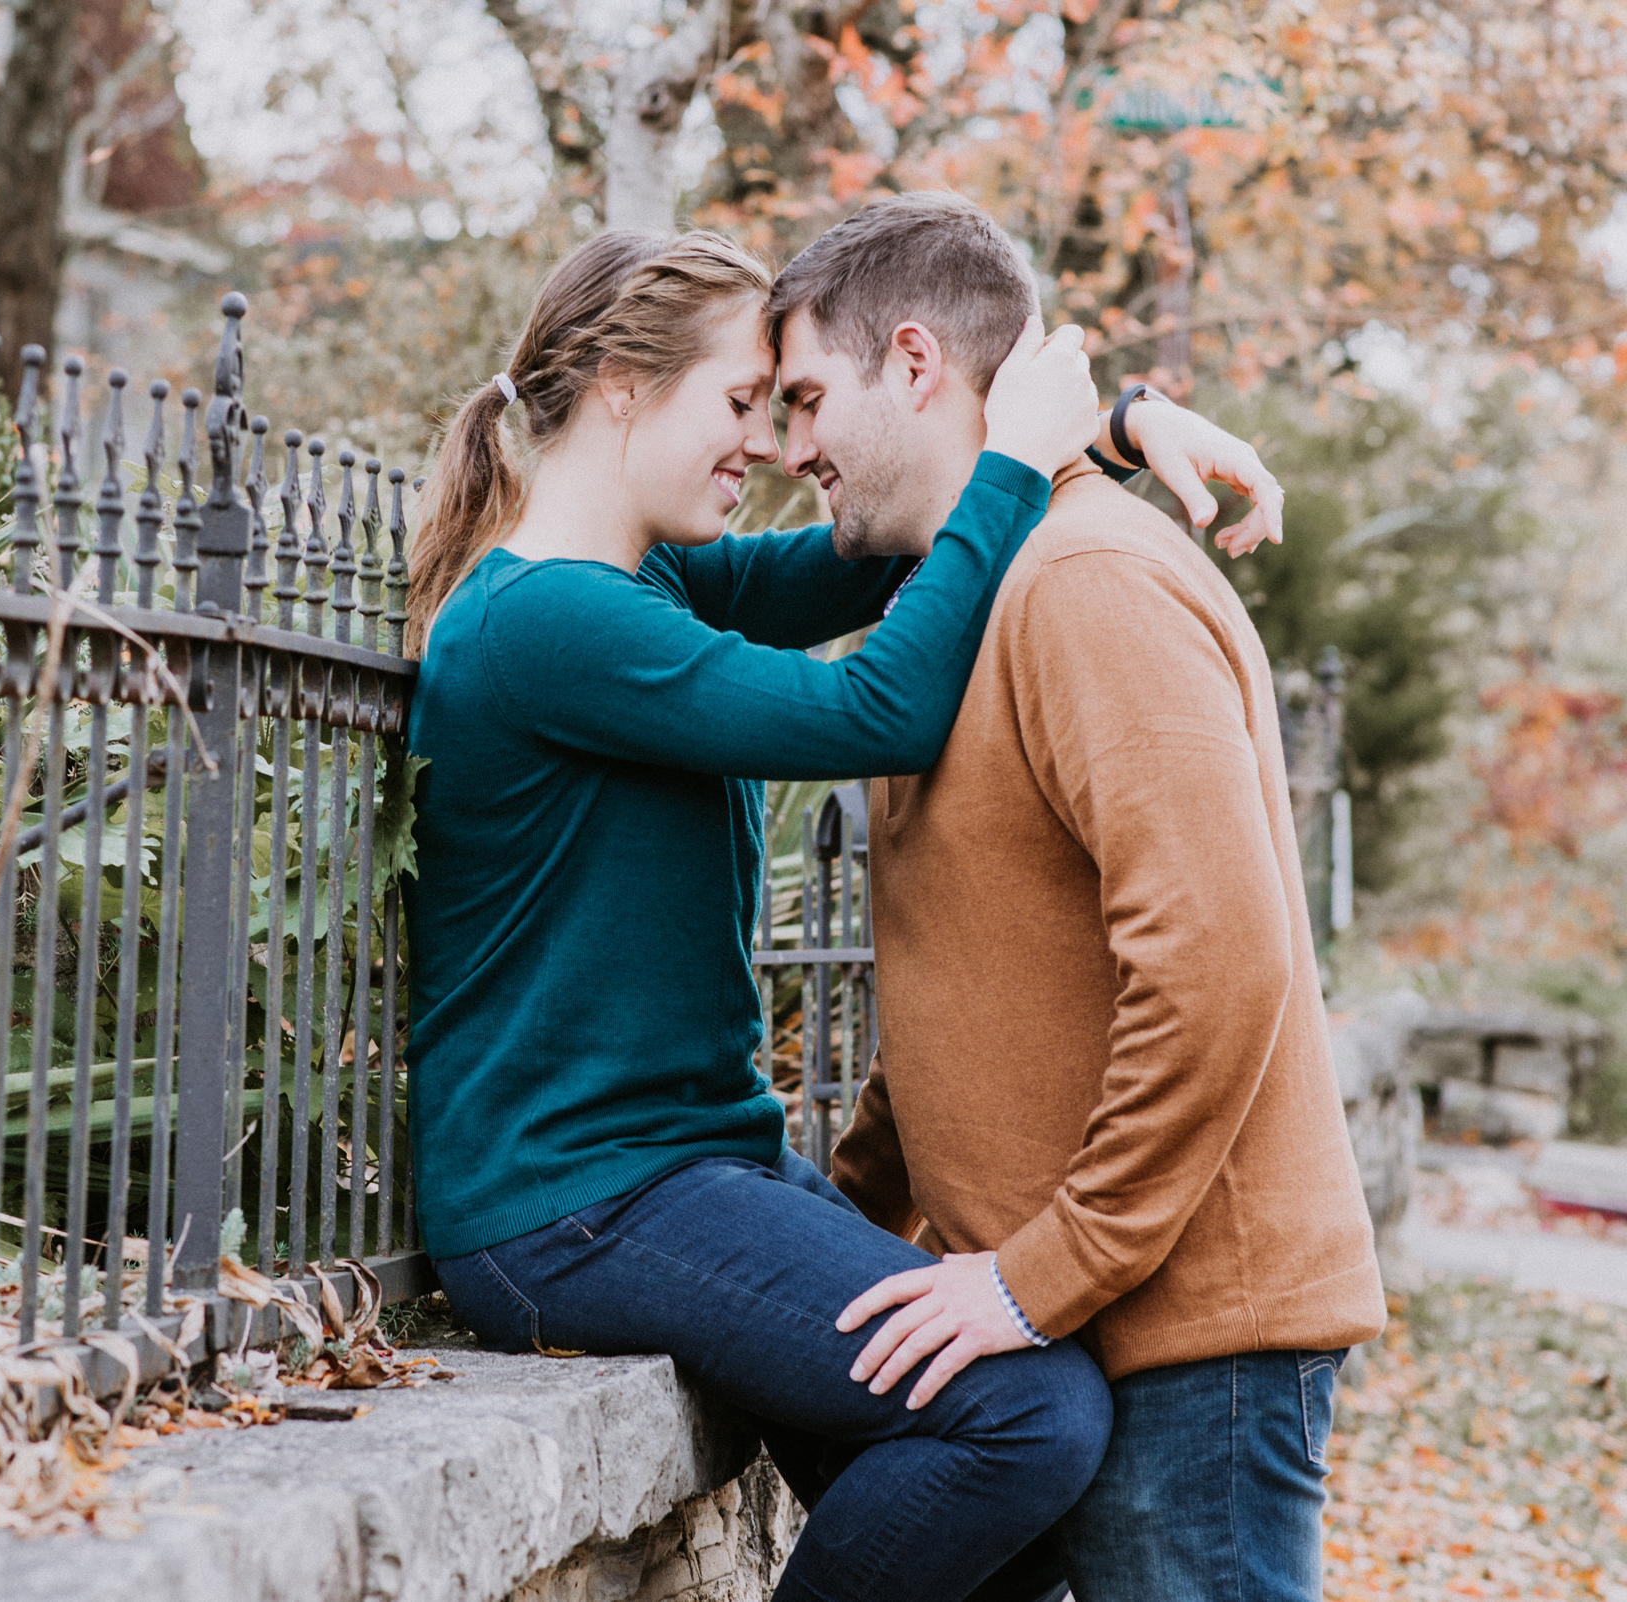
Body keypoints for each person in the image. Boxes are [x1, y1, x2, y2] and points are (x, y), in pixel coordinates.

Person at [400, 225, 1284, 1602]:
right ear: (626, 385)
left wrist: (1104, 426)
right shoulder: (544, 623)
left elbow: (898, 541)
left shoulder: (654, 586)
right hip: (571, 1196)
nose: (762, 444)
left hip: (682, 1171)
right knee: (1025, 1413)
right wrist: (1014, 456)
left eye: (780, 406)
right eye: (742, 402)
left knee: (1022, 1501)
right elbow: (880, 702)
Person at [775, 193, 1385, 1601]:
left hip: (1193, 1348)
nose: (791, 445)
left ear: (916, 363)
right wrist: (835, 1222)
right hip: (1081, 1333)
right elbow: (973, 993)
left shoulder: (1087, 580)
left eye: (809, 396)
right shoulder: (967, 600)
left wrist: (1037, 1271)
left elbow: (1217, 966)